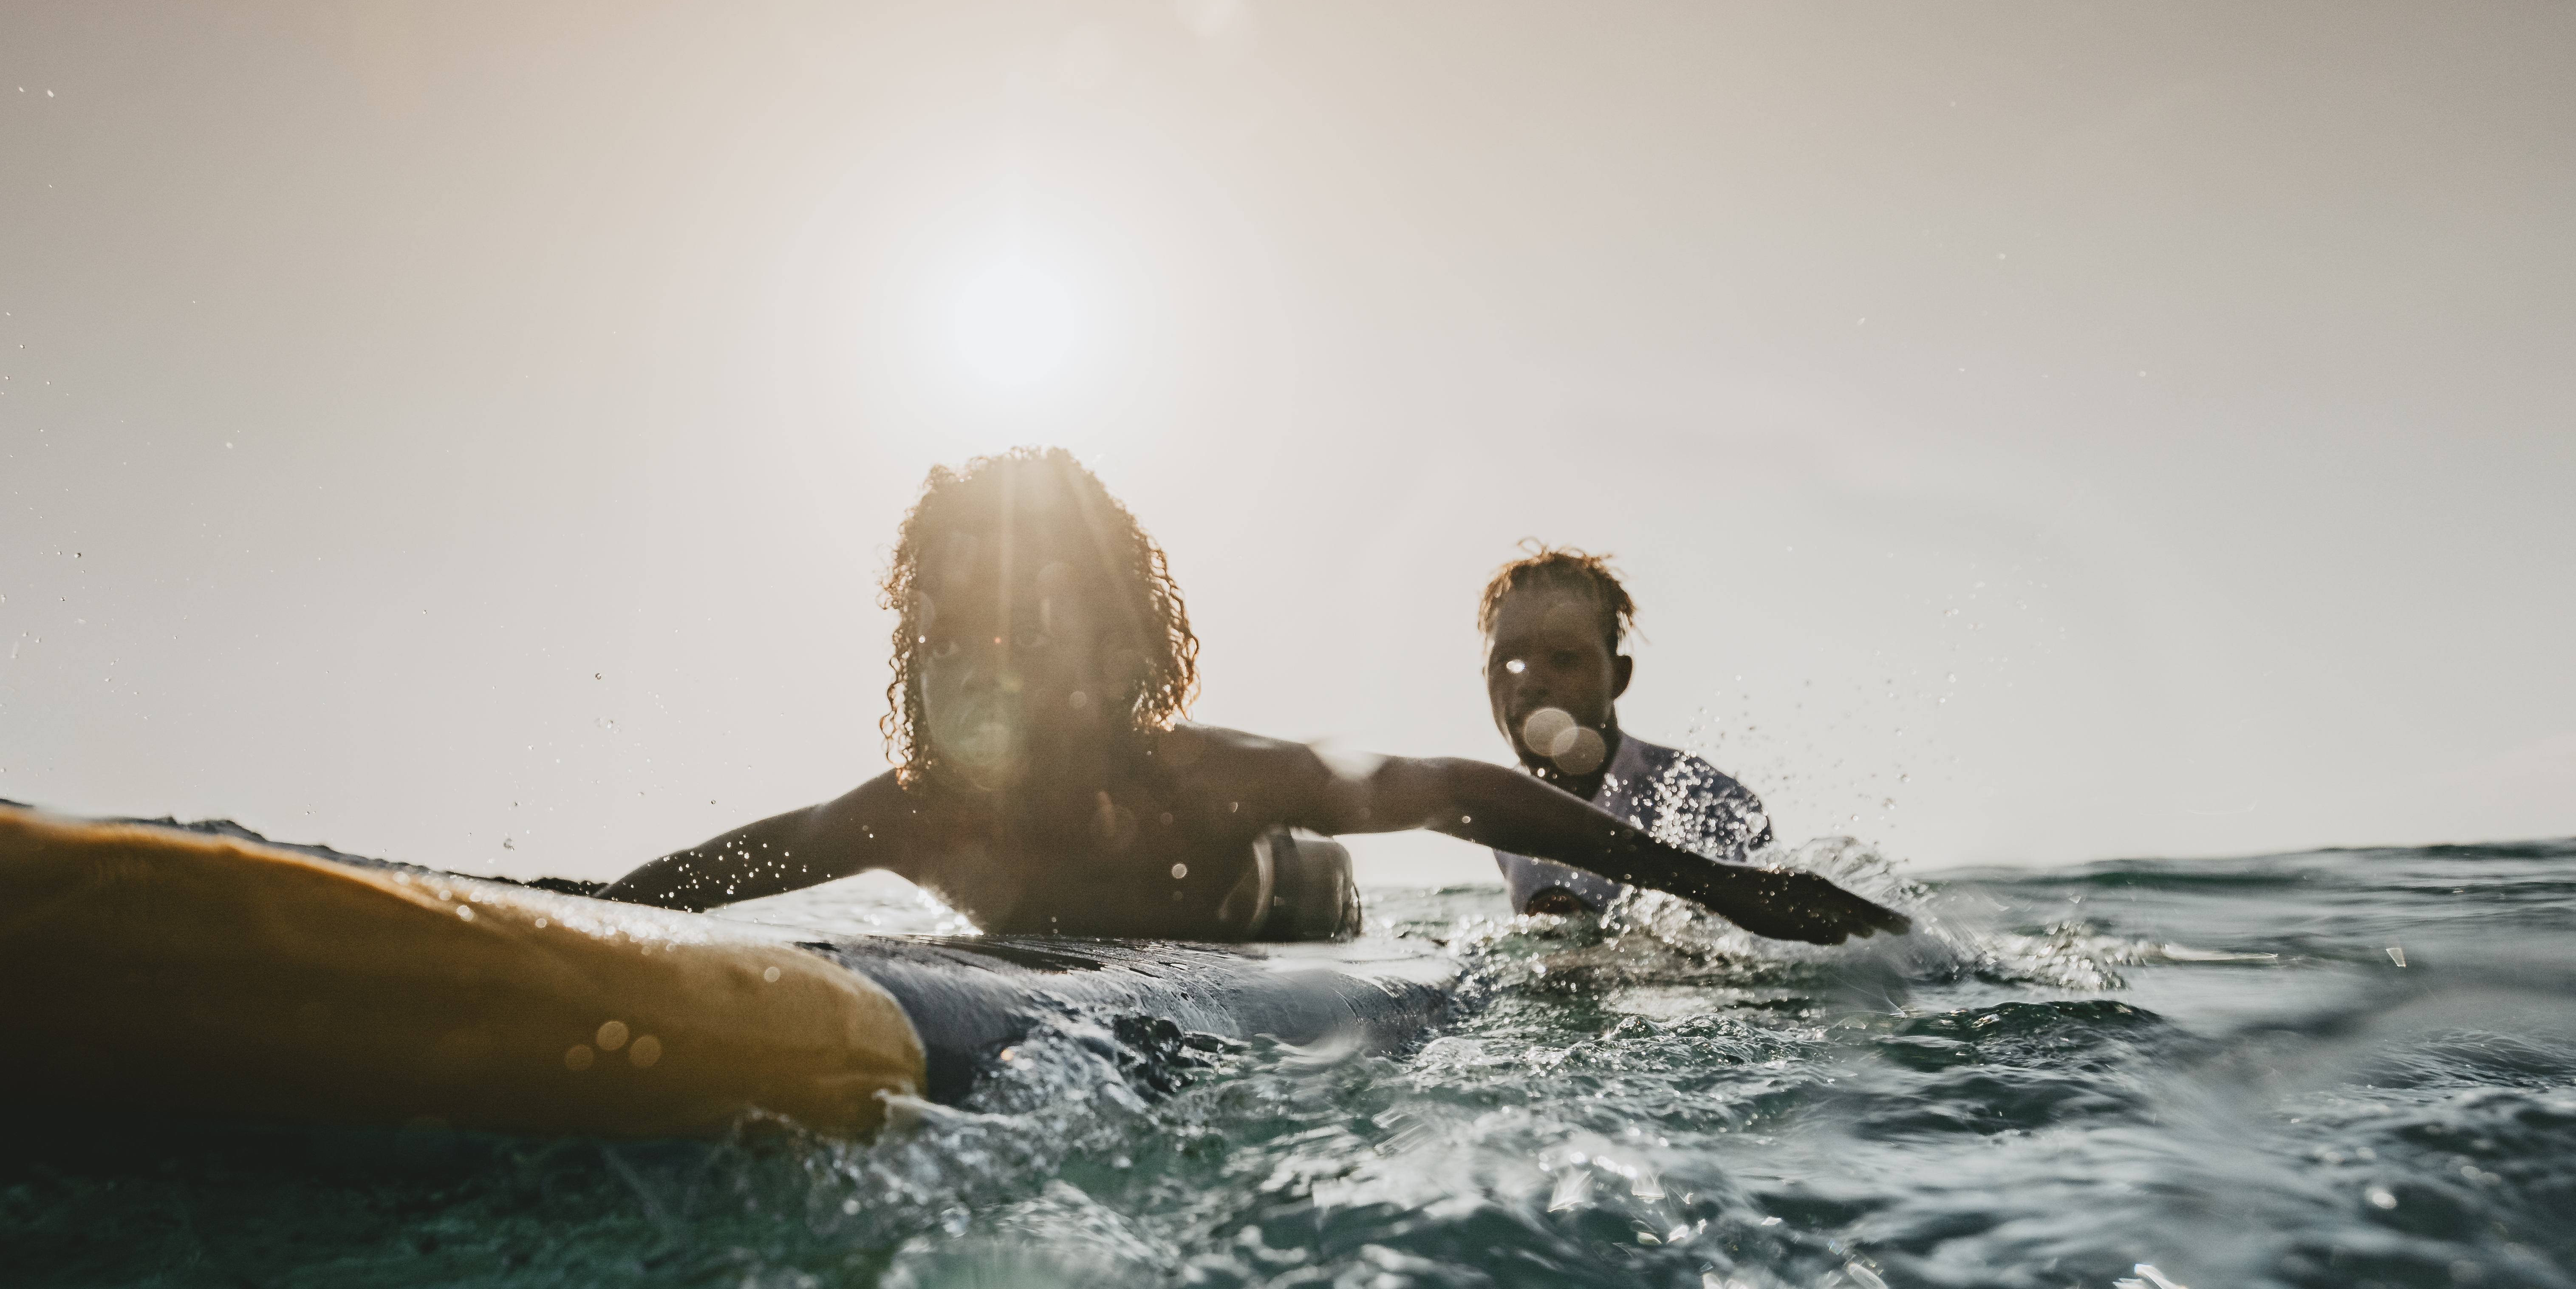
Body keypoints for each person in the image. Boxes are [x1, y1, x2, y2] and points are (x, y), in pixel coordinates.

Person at [609, 449, 1906, 945]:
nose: (982, 655)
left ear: (1121, 652)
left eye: (1029, 620)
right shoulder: (913, 815)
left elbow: (1446, 792)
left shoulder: (1199, 779)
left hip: (1297, 909)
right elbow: (711, 875)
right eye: (945, 624)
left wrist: (1735, 894)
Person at [1478, 544, 1777, 919]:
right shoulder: (1497, 810)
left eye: (1563, 658)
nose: (1531, 681)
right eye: (1509, 660)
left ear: (1618, 677)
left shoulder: (1697, 798)